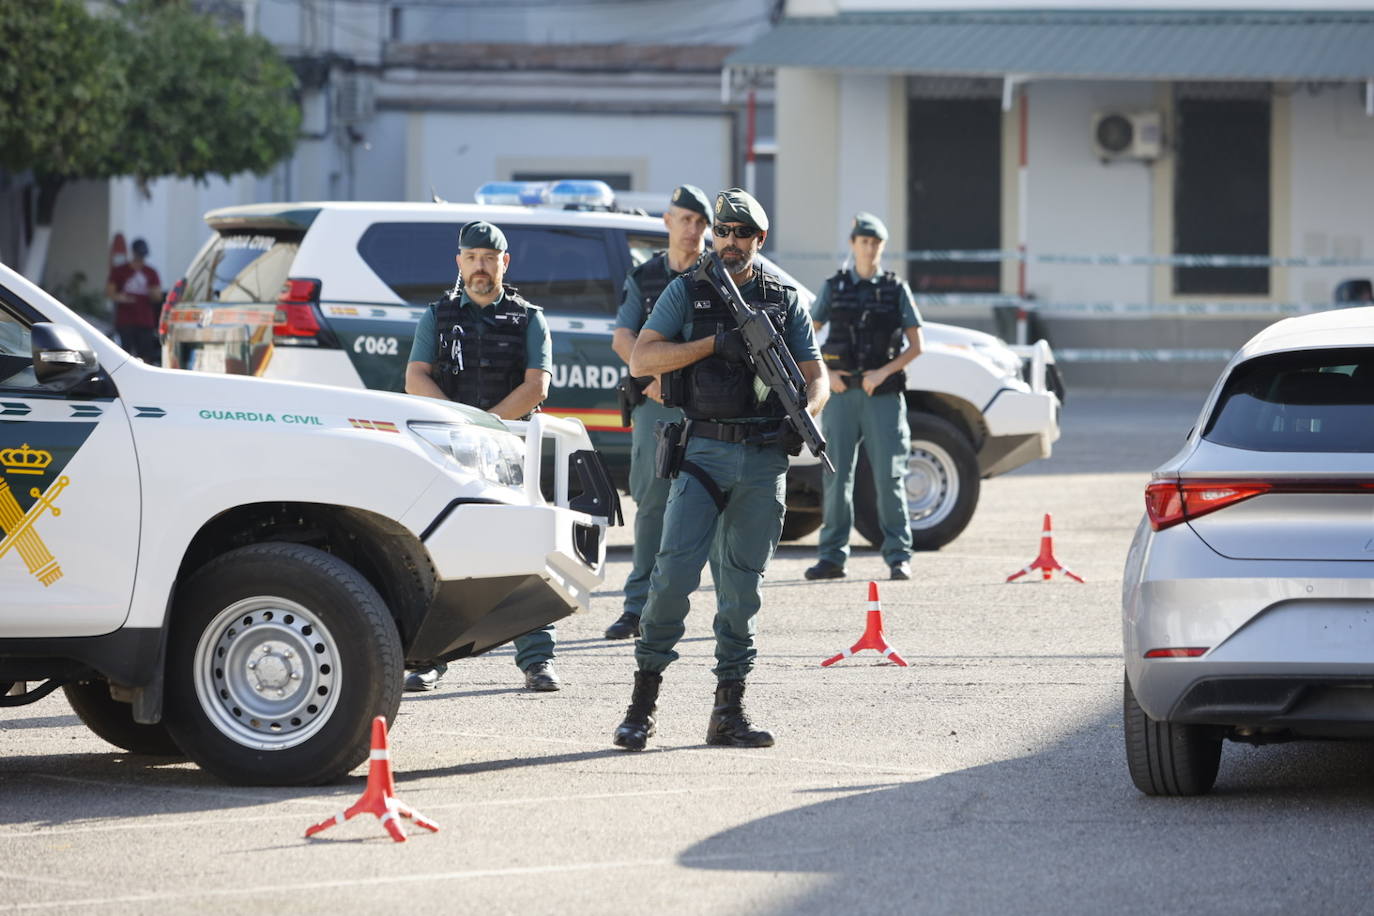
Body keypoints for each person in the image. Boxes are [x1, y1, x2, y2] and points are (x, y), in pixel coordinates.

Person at [612, 188, 828, 751]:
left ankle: (728, 712)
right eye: (723, 232)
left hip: (762, 458)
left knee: (742, 590)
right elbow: (642, 359)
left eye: (742, 234)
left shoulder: (783, 299)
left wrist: (806, 409)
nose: (730, 242)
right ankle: (642, 706)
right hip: (704, 453)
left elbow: (816, 373)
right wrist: (714, 344)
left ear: (760, 238)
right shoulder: (688, 291)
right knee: (672, 579)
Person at [402, 219, 561, 693]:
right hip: (449, 451)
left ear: (503, 263)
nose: (480, 267)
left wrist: (486, 428)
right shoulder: (437, 315)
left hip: (509, 448)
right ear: (459, 262)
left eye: (489, 259)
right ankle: (430, 660)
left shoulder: (529, 317)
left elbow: (537, 385)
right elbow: (415, 378)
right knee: (439, 553)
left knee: (526, 552)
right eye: (471, 258)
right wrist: (462, 429)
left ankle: (537, 661)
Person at [604, 184, 713, 641]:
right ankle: (637, 606)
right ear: (667, 222)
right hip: (654, 403)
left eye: (701, 223)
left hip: (708, 407)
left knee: (712, 503)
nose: (693, 230)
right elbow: (623, 337)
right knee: (651, 502)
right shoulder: (645, 276)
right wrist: (652, 379)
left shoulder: (718, 276)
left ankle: (710, 606)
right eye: (685, 220)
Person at [804, 212, 924, 582]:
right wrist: (829, 373)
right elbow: (806, 336)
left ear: (882, 248)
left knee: (890, 475)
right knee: (836, 476)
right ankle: (832, 557)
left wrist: (882, 373)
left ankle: (898, 555)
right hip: (841, 395)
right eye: (863, 242)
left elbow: (916, 345)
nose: (869, 249)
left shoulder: (895, 289)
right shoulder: (834, 287)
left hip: (881, 395)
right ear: (853, 244)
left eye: (875, 243)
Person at [105, 237, 162, 365]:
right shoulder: (120, 271)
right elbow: (110, 292)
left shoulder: (150, 272)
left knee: (146, 354)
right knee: (125, 354)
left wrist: (151, 291)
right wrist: (123, 298)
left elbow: (157, 297)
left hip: (145, 320)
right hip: (126, 320)